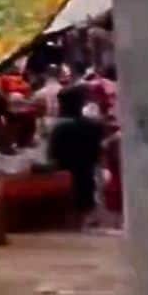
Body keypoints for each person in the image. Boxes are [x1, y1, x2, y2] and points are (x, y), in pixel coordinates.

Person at [48, 85, 105, 220]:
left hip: (64, 184)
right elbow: (98, 155)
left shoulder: (60, 128)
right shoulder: (94, 126)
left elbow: (52, 157)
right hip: (87, 181)